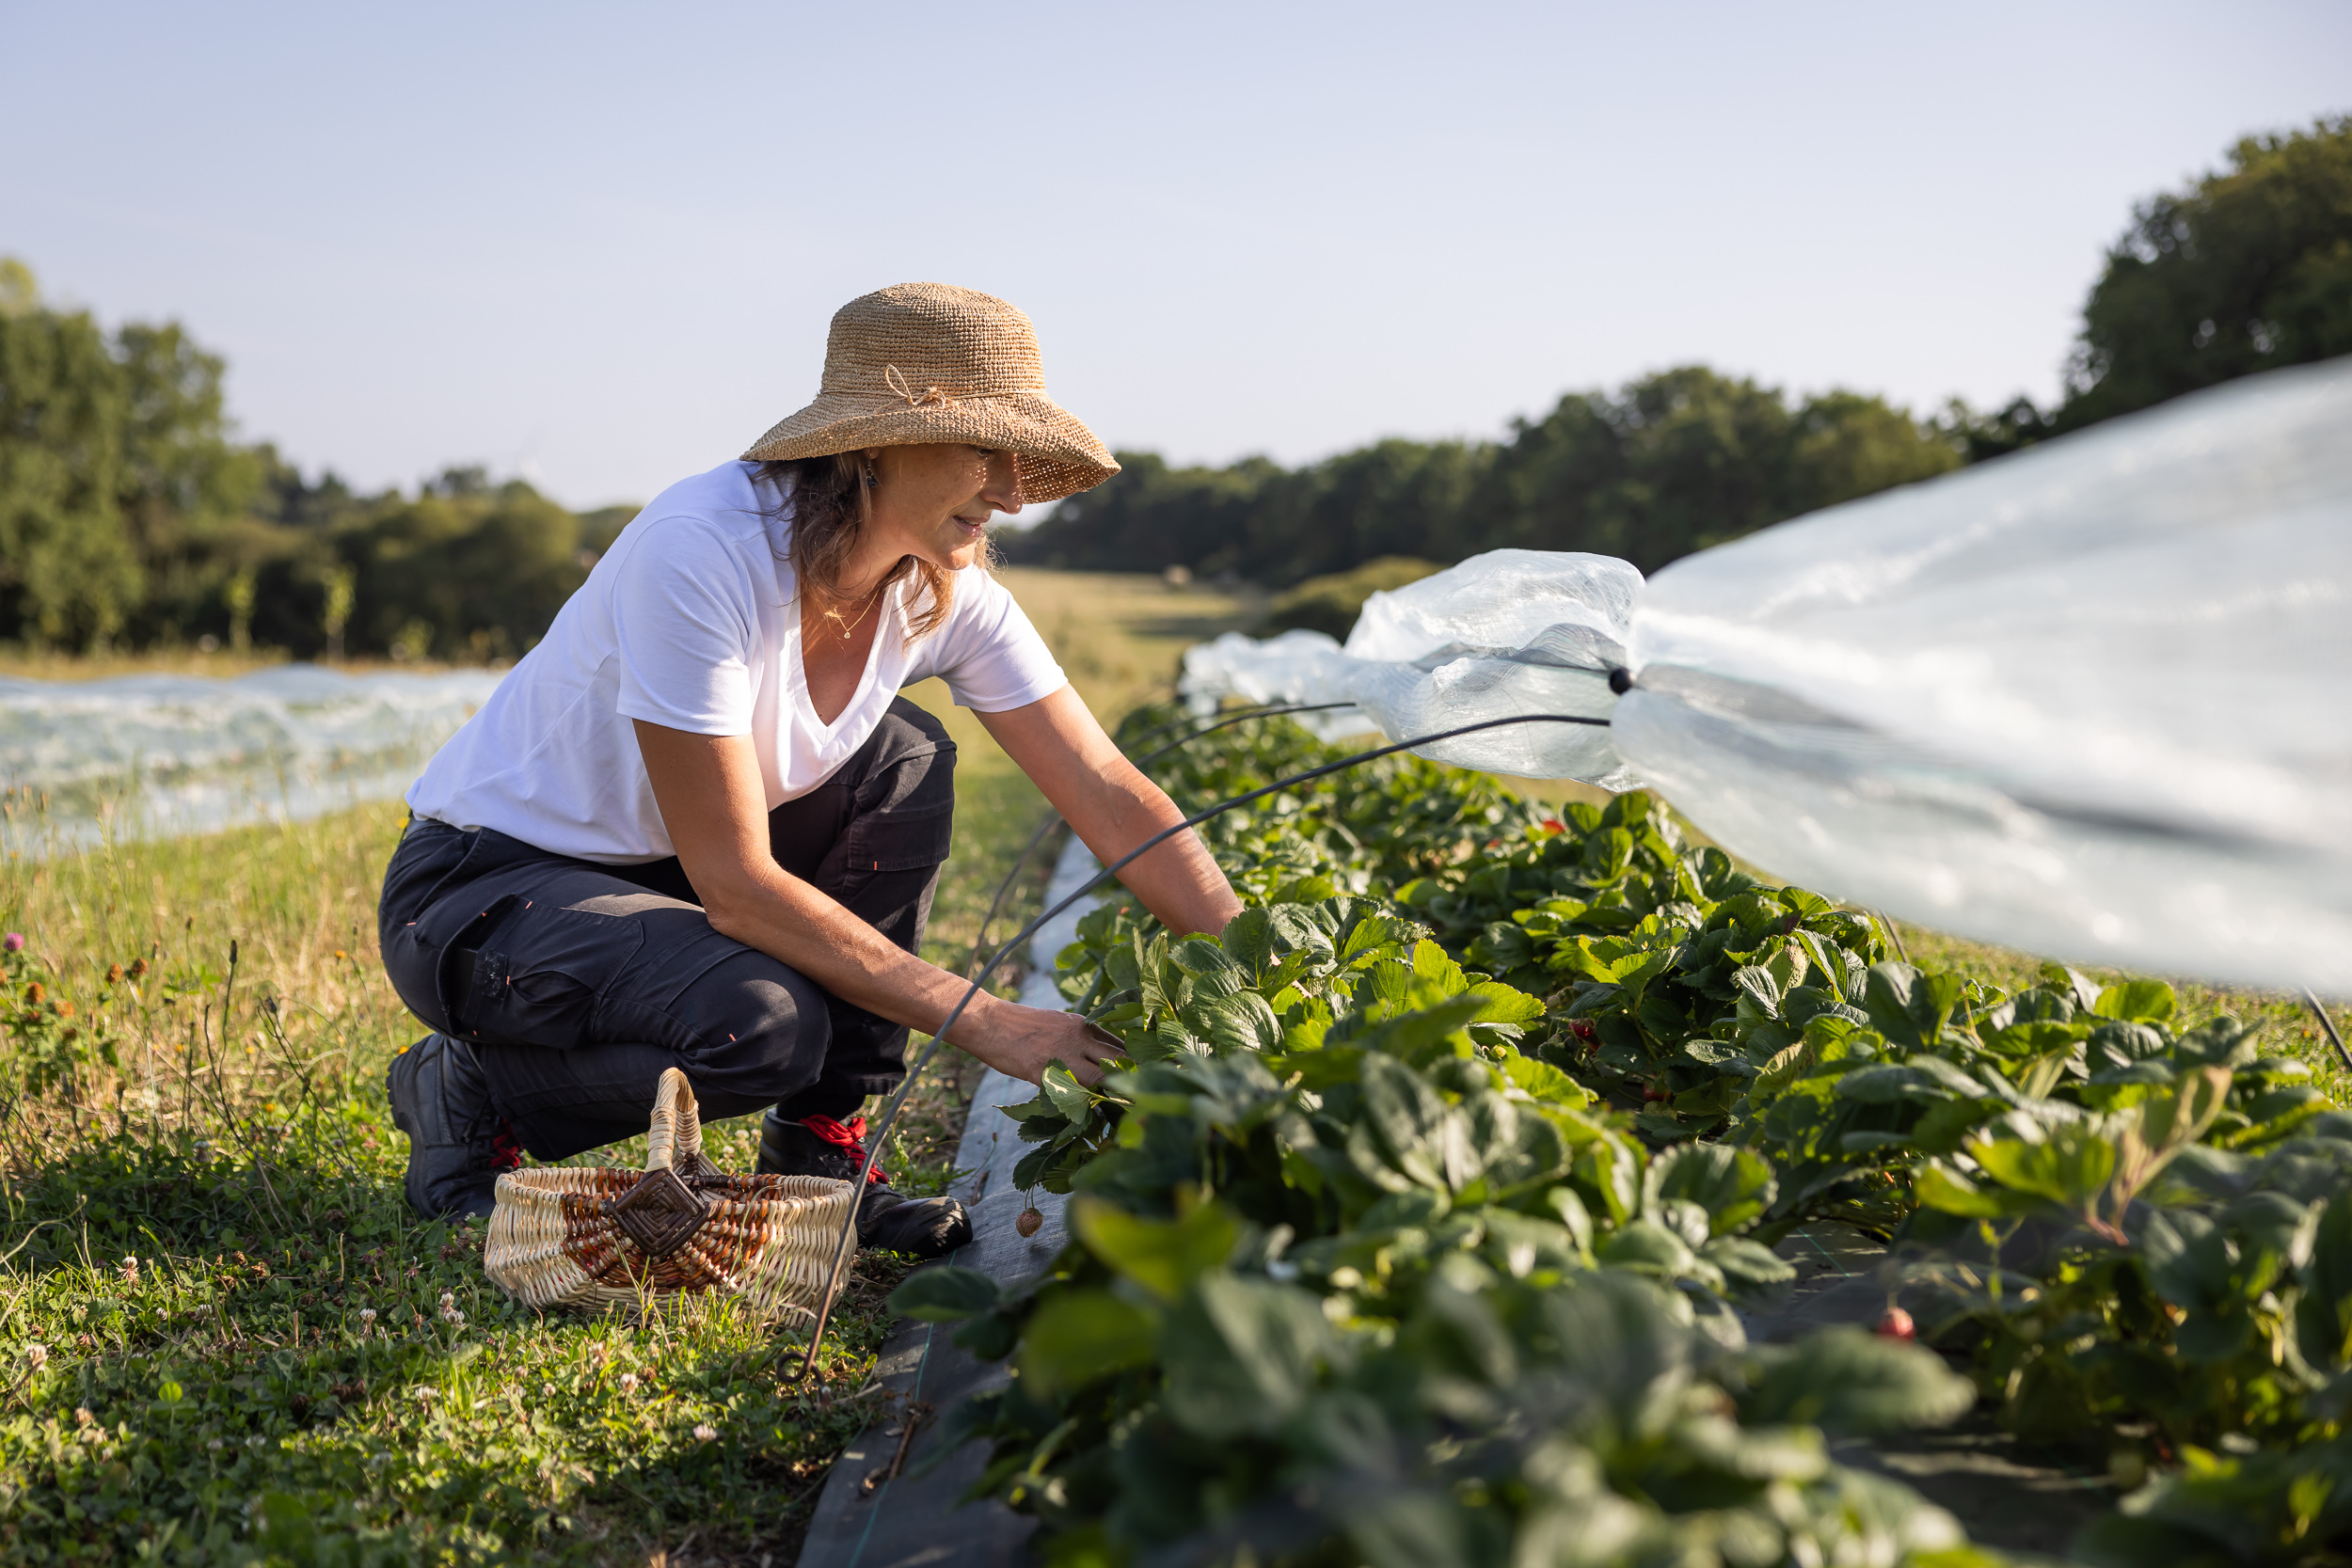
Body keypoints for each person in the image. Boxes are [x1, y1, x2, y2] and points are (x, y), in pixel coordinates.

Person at [377, 283, 1241, 1257]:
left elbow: (1102, 785)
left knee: (902, 758)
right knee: (762, 1027)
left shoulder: (942, 587)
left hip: (654, 878)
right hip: (490, 889)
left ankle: (820, 1153)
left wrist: (1256, 967)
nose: (1011, 488)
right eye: (984, 448)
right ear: (872, 441)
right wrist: (992, 1023)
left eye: (1020, 458)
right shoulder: (703, 551)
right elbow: (738, 884)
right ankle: (466, 1088)